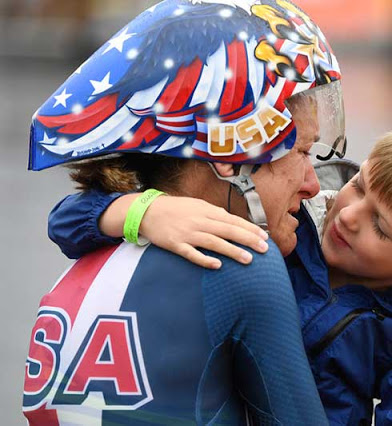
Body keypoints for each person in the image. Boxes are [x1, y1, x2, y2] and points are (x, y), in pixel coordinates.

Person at [47, 111, 392, 424]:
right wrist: (145, 211)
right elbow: (68, 221)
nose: (346, 214)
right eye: (361, 185)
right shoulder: (284, 217)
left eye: (381, 228)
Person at [22, 0, 346, 424]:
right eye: (301, 151)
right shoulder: (243, 260)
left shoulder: (93, 248)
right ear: (232, 154)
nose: (313, 183)